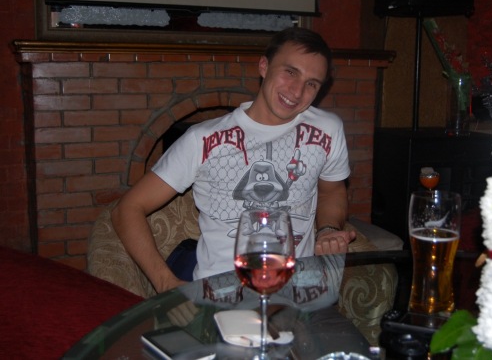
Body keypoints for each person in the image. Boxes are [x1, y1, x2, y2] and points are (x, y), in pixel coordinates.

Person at [111, 27, 356, 294]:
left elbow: (332, 190)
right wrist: (165, 282)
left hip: (298, 290)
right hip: (223, 294)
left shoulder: (328, 129)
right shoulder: (202, 139)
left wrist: (327, 229)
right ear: (264, 66)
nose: (297, 92)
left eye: (312, 84)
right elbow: (128, 208)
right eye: (290, 72)